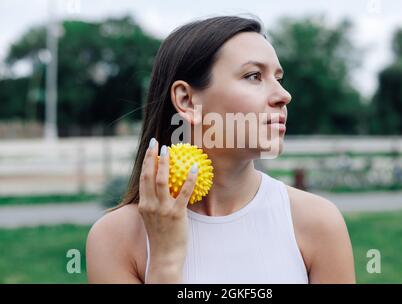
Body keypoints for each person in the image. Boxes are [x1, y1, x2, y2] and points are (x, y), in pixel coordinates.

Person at [86, 15, 355, 284]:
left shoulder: (319, 222)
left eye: (278, 77)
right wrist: (165, 262)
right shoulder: (114, 239)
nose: (284, 95)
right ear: (187, 100)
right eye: (254, 76)